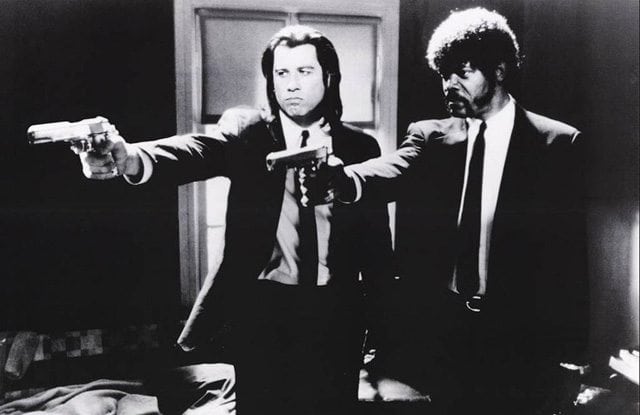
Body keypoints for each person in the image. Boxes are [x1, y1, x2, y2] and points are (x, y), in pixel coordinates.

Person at [79, 25, 394, 415]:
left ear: (329, 77)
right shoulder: (247, 131)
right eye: (281, 73)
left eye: (304, 71)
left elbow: (376, 244)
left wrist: (384, 324)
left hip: (337, 310)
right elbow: (196, 151)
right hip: (265, 309)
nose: (292, 84)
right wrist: (130, 158)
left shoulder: (361, 147)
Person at [311, 7, 589, 414]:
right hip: (447, 334)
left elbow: (570, 257)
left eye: (462, 72)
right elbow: (392, 169)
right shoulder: (430, 137)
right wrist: (345, 178)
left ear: (499, 70)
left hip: (521, 339)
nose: (450, 84)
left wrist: (573, 352)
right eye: (444, 75)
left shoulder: (556, 144)